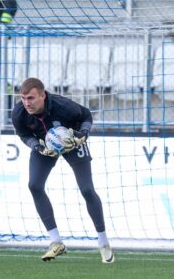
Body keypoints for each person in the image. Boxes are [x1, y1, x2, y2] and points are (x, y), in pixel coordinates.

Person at [11, 77, 114, 264]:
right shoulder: (19, 112)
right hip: (45, 146)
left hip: (72, 142)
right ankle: (56, 242)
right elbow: (23, 134)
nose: (27, 103)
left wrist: (83, 134)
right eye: (24, 98)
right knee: (34, 185)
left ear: (43, 96)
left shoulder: (62, 105)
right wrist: (37, 146)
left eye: (31, 98)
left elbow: (86, 115)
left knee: (87, 190)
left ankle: (103, 241)